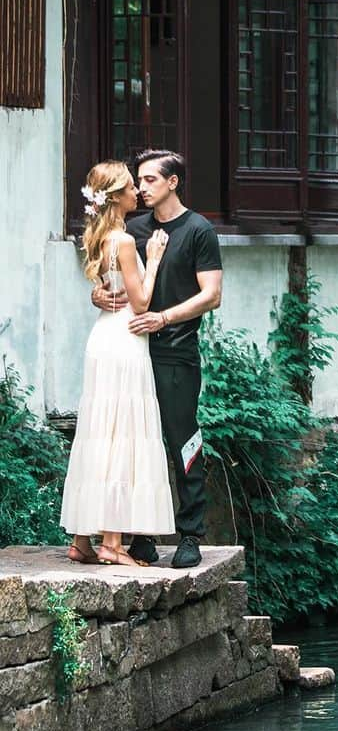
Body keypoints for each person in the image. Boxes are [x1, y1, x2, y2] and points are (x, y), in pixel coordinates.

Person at [90, 150, 223, 569]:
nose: (141, 187)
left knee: (182, 440)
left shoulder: (199, 230)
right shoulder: (133, 229)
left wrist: (164, 316)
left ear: (173, 183)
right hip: (131, 351)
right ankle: (140, 535)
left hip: (175, 352)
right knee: (133, 442)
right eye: (138, 181)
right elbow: (109, 278)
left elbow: (212, 294)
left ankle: (190, 534)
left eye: (149, 180)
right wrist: (97, 294)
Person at [61, 162, 175, 566]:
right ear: (115, 198)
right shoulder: (124, 241)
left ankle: (82, 540)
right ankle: (111, 542)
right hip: (125, 340)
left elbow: (103, 289)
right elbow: (141, 302)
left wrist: (98, 294)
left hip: (103, 337)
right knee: (121, 433)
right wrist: (155, 257)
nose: (137, 193)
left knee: (98, 431)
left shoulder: (96, 236)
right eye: (130, 187)